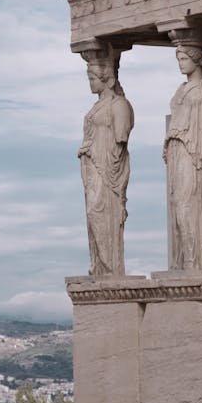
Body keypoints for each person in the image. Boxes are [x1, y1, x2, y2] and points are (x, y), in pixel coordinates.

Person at [164, 45, 202, 270]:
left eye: (183, 58)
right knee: (178, 204)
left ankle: (195, 263)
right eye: (178, 58)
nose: (180, 62)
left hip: (196, 154)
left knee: (190, 205)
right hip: (177, 152)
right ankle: (183, 263)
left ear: (197, 59)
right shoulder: (180, 90)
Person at [79, 53, 134, 276]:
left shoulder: (119, 104)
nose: (90, 82)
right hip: (92, 167)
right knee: (92, 214)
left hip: (107, 167)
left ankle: (111, 266)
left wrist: (96, 148)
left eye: (93, 78)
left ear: (105, 78)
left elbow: (120, 137)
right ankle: (100, 266)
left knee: (99, 212)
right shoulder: (97, 106)